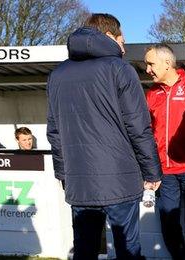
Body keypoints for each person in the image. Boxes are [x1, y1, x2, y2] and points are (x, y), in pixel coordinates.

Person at [46, 13, 162, 259]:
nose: (123, 46)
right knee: (128, 250)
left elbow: (54, 131)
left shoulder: (57, 75)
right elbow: (138, 126)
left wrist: (64, 174)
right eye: (122, 40)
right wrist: (152, 172)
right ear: (110, 36)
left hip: (80, 183)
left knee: (85, 251)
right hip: (121, 180)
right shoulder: (120, 69)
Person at [144, 44, 185, 260]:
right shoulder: (151, 95)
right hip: (164, 172)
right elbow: (146, 134)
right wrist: (150, 169)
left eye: (150, 64)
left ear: (167, 63)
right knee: (168, 221)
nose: (147, 70)